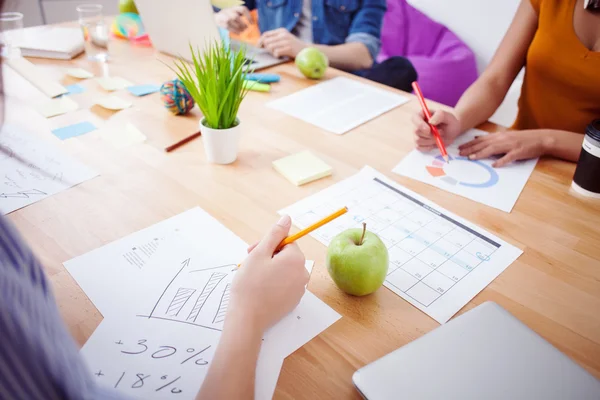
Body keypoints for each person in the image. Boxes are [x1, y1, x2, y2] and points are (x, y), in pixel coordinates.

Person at [411, 0, 600, 168]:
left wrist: (546, 140)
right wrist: (458, 120)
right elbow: (495, 80)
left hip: (586, 173)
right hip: (516, 158)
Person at [215, 0, 417, 92]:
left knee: (401, 68)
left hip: (334, 78)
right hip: (279, 71)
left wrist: (301, 48)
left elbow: (363, 55)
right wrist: (228, 15)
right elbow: (242, 7)